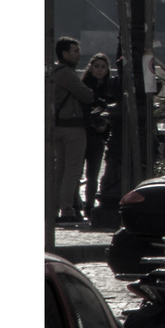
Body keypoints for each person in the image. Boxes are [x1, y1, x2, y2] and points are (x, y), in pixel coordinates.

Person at [48, 37, 96, 225]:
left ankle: (53, 208)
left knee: (59, 170)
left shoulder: (52, 71)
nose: (79, 54)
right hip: (73, 128)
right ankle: (67, 209)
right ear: (65, 54)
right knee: (73, 171)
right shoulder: (67, 73)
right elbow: (86, 95)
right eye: (75, 50)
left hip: (57, 127)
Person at [81, 53, 119, 220]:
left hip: (99, 136)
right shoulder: (84, 85)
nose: (99, 70)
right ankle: (76, 204)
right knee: (76, 173)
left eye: (103, 67)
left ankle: (89, 205)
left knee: (93, 174)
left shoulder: (110, 88)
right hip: (82, 133)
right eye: (96, 66)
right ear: (90, 67)